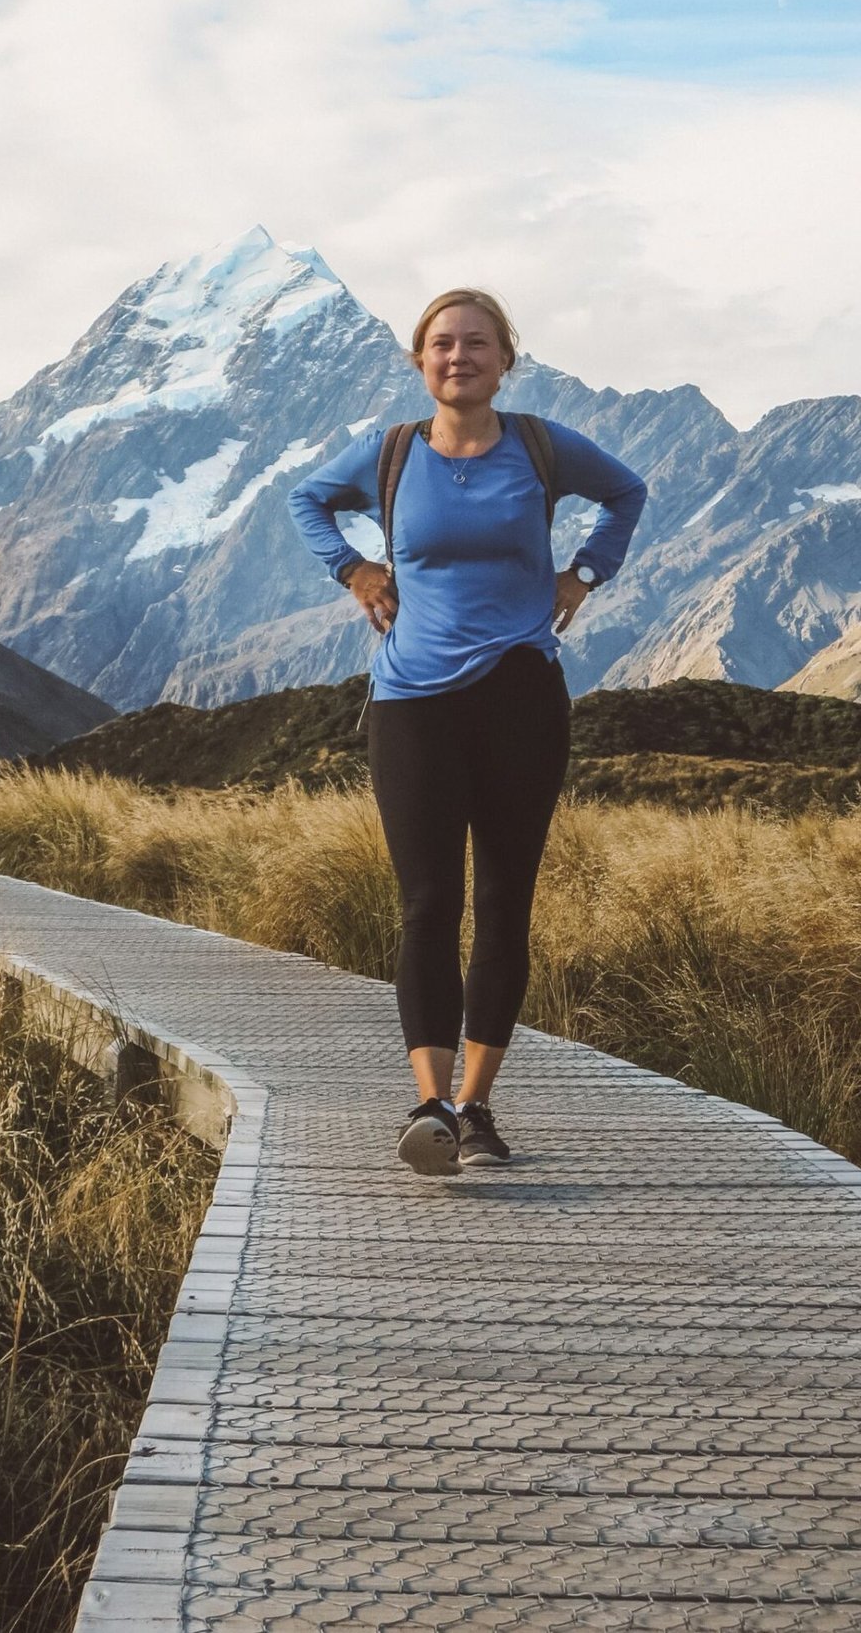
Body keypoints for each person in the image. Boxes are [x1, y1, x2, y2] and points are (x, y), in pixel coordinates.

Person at [286, 288, 648, 1176]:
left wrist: (584, 575)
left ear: (504, 358)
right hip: (411, 703)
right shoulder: (391, 453)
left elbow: (626, 492)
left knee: (502, 904)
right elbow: (306, 500)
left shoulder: (539, 445)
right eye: (443, 344)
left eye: (476, 343)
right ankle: (430, 1104)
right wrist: (355, 568)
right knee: (425, 905)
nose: (459, 357)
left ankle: (477, 1108)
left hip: (522, 696)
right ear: (420, 362)